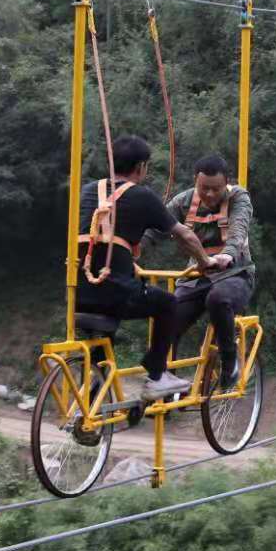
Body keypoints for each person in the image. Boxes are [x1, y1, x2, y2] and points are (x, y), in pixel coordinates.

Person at [76, 135, 216, 400]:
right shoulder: (142, 196)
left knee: (103, 336)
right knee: (168, 303)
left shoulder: (87, 191)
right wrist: (204, 261)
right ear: (141, 167)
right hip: (114, 293)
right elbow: (184, 235)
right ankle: (157, 373)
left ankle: (96, 385)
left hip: (78, 292)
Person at [140, 154, 256, 388]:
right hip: (197, 276)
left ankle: (229, 360)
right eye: (204, 188)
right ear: (195, 181)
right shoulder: (182, 203)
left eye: (216, 189)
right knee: (169, 315)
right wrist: (133, 249)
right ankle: (159, 380)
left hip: (235, 273)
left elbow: (239, 227)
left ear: (226, 183)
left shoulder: (239, 198)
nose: (210, 195)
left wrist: (229, 253)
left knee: (218, 298)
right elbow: (154, 229)